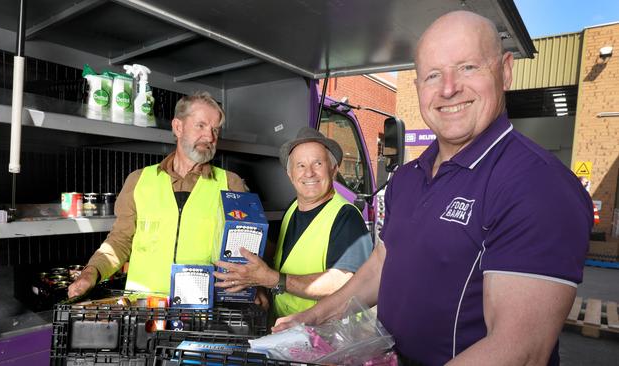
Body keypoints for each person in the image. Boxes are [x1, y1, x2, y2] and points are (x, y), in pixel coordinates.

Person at [273, 11, 593, 366]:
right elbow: (382, 266)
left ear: (505, 71)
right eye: (433, 75)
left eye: (468, 67)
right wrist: (313, 317)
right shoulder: (408, 178)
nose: (448, 88)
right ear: (418, 88)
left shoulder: (537, 185)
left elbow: (520, 350)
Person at [68, 92, 246, 298]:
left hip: (202, 310)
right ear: (178, 127)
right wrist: (91, 272)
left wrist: (254, 287)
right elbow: (120, 240)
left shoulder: (230, 183)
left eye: (215, 129)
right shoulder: (138, 180)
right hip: (143, 309)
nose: (210, 137)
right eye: (201, 125)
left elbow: (243, 250)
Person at [213, 127, 373, 318]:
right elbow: (275, 253)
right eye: (300, 166)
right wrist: (257, 282)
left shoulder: (346, 216)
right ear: (290, 175)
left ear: (334, 169)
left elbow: (344, 280)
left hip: (328, 336)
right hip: (290, 330)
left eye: (318, 163)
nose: (309, 173)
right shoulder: (292, 208)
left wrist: (273, 280)